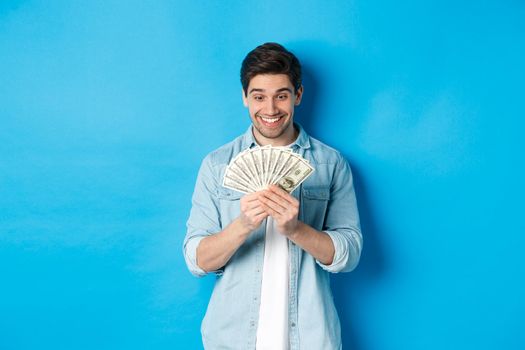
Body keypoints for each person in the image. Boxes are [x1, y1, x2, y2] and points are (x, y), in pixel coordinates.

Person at [183, 42, 362, 350]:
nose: (270, 109)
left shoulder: (331, 164)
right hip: (231, 339)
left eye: (281, 95)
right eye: (259, 96)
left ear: (298, 95)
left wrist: (296, 229)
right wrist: (243, 224)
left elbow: (350, 254)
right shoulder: (216, 164)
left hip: (310, 338)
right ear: (244, 97)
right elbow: (197, 260)